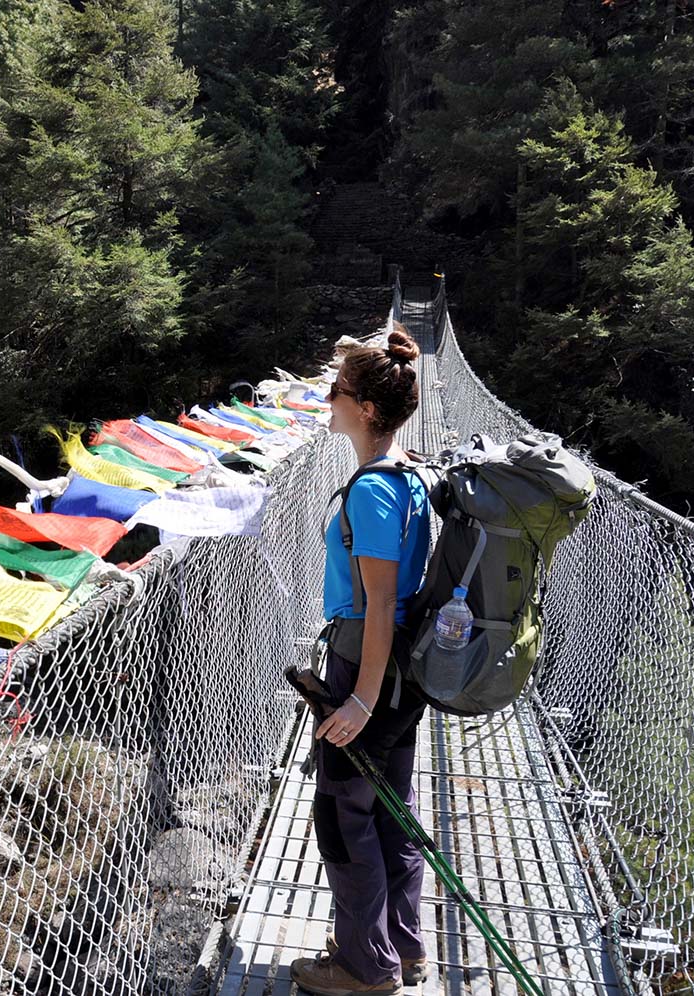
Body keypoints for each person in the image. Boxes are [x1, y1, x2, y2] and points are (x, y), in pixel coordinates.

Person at [291, 327, 431, 995]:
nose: (328, 400)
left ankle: (362, 968)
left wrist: (360, 699)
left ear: (367, 410)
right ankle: (400, 948)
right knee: (388, 808)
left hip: (367, 666)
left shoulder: (374, 490)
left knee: (342, 816)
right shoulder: (413, 475)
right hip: (407, 670)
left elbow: (379, 604)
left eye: (338, 391)